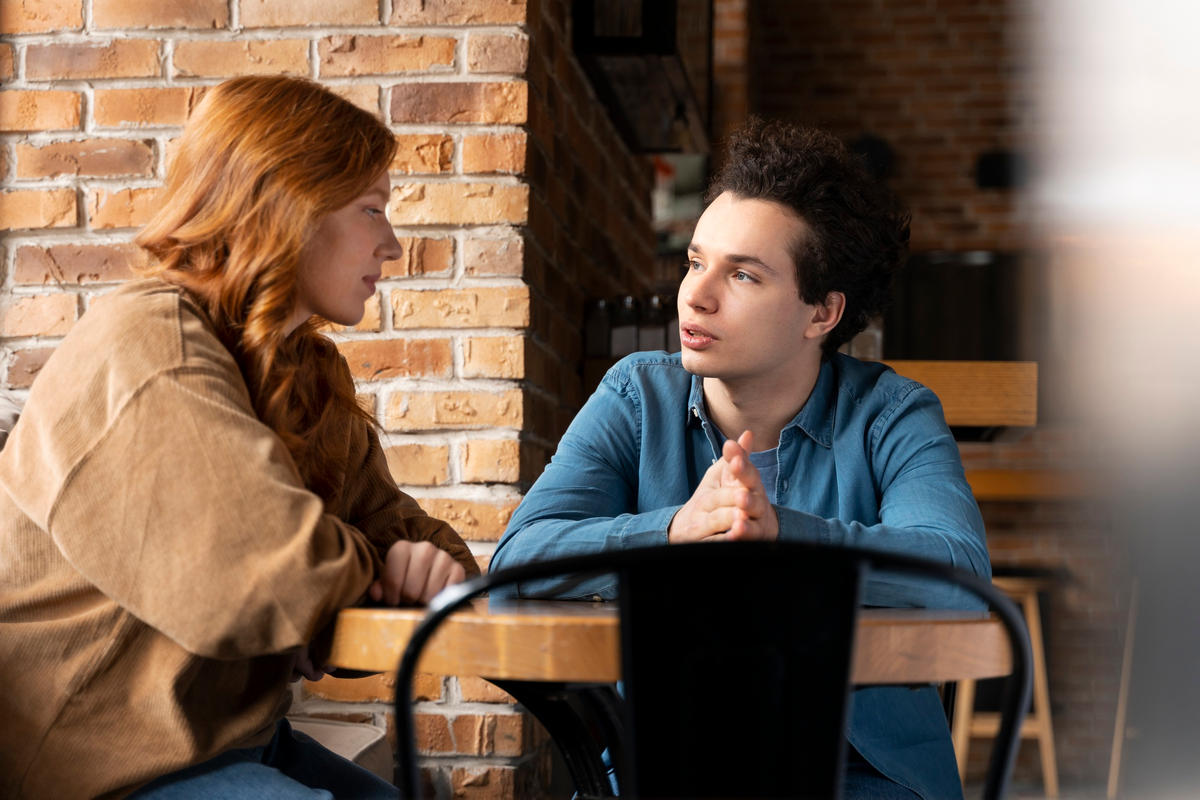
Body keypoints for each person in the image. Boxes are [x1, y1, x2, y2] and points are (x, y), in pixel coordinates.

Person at [0, 76, 478, 800]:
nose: (393, 245)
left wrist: (429, 570)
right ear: (285, 206)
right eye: (371, 209)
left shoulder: (306, 374)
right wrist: (380, 568)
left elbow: (413, 541)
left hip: (224, 739)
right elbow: (262, 574)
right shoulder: (148, 342)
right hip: (98, 757)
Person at [490, 119, 991, 799]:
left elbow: (962, 575)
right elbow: (516, 564)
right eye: (696, 262)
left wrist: (784, 539)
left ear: (822, 314)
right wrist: (673, 532)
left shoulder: (892, 412)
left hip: (860, 772)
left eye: (743, 275)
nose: (696, 295)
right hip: (665, 766)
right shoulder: (636, 395)